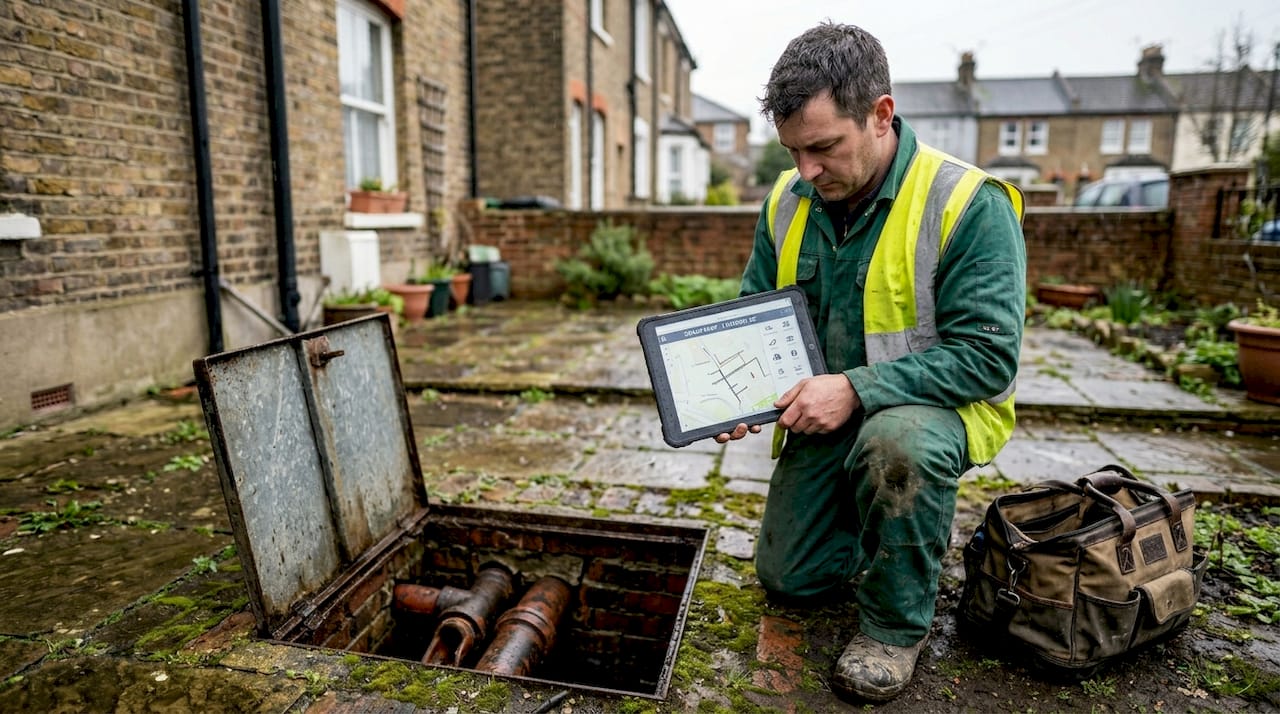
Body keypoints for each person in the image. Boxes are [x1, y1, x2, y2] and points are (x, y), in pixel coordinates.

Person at [716, 22, 1027, 703]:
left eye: (824, 147)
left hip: (925, 416)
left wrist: (856, 389)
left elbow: (988, 357)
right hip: (829, 413)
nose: (805, 170)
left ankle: (894, 625)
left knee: (895, 447)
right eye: (793, 150)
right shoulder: (787, 199)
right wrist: (730, 394)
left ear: (881, 115)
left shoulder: (968, 203)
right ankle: (876, 523)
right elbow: (753, 313)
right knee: (789, 579)